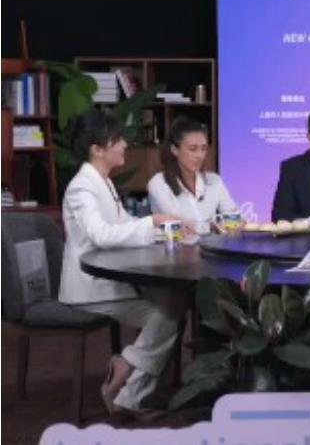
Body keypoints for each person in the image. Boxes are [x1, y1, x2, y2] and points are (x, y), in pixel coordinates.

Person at [58, 110, 185, 416]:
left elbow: (124, 222)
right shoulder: (82, 187)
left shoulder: (103, 181)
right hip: (90, 287)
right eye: (117, 140)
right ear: (97, 149)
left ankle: (126, 376)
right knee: (168, 316)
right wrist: (152, 222)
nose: (125, 145)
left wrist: (159, 230)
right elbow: (101, 234)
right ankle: (128, 384)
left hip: (110, 280)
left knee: (175, 304)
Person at [148, 116, 237, 234]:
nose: (199, 156)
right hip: (174, 245)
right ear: (174, 149)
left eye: (203, 149)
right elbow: (180, 226)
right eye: (193, 149)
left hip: (212, 245)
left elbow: (234, 218)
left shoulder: (214, 180)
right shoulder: (159, 183)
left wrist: (235, 221)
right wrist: (211, 227)